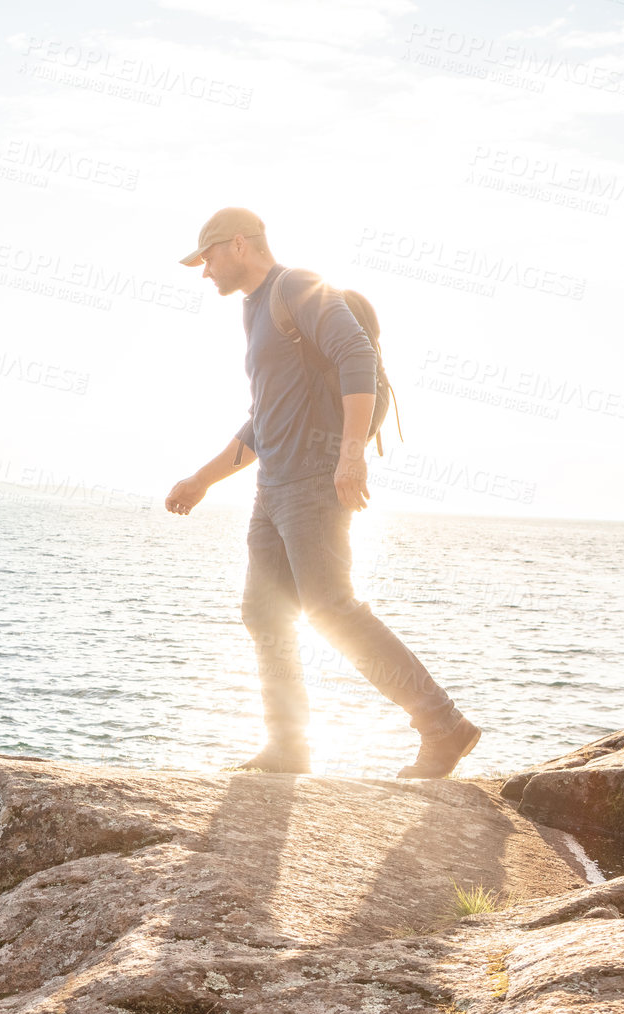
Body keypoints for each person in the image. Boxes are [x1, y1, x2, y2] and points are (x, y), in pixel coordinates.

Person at [165, 207, 481, 779]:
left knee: (331, 609)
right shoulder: (252, 310)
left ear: (239, 244)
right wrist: (201, 481)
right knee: (264, 614)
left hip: (314, 481)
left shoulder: (297, 287)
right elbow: (262, 422)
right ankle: (289, 747)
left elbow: (356, 354)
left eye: (207, 256)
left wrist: (351, 454)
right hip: (272, 489)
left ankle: (442, 725)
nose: (203, 269)